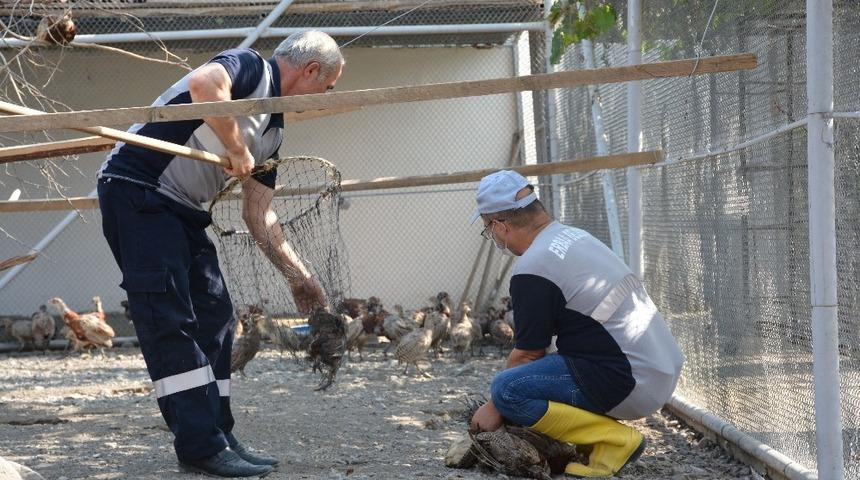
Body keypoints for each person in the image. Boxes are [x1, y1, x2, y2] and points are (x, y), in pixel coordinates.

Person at [97, 31, 344, 477]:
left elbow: (259, 214)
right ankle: (199, 446)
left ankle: (218, 435)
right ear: (310, 70)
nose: (323, 98)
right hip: (138, 191)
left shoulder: (273, 132)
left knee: (217, 316)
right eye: (325, 88)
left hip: (185, 211)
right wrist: (235, 146)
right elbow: (204, 85)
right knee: (170, 318)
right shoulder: (250, 68)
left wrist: (299, 277)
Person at [467, 170, 684, 478]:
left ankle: (615, 440)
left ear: (501, 226)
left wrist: (495, 405)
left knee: (508, 389)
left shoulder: (532, 267)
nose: (494, 238)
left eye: (489, 230)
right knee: (538, 375)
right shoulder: (574, 237)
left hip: (631, 382)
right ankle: (598, 442)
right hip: (658, 369)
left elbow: (528, 354)